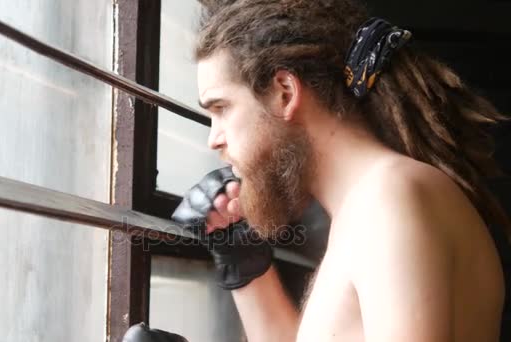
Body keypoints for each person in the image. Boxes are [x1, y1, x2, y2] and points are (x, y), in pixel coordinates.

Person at [127, 0, 511, 341]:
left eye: (221, 108)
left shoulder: (390, 198)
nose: (214, 139)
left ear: (285, 93)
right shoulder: (371, 205)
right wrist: (244, 267)